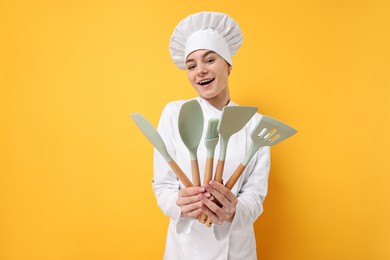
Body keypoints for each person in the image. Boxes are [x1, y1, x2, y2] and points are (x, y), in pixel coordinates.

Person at [152, 11, 270, 260]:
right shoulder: (175, 113)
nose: (200, 71)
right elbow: (162, 186)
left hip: (236, 249)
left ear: (228, 65)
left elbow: (254, 196)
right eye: (192, 65)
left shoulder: (255, 123)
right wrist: (179, 202)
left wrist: (233, 211)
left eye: (209, 60)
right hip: (186, 249)